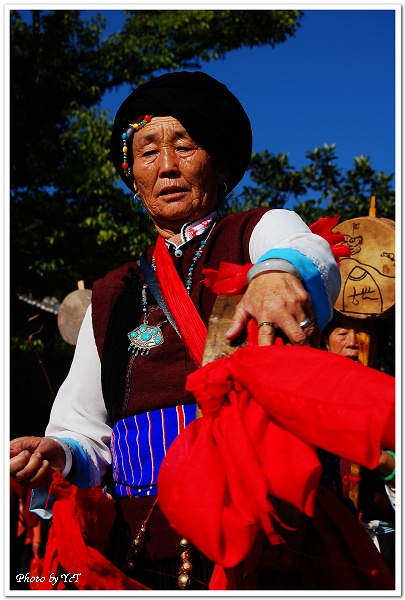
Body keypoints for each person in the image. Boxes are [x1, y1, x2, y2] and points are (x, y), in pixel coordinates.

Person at [9, 71, 391, 591]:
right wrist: (61, 453)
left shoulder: (258, 231)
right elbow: (83, 426)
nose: (167, 166)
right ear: (133, 174)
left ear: (221, 164)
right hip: (142, 535)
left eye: (185, 146)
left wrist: (277, 272)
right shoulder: (111, 292)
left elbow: (307, 252)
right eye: (148, 152)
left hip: (259, 522)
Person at [322, 310, 396, 578]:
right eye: (342, 333)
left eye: (363, 333)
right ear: (324, 343)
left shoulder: (393, 400)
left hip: (384, 546)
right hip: (322, 544)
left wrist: (387, 464)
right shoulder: (303, 400)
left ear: (376, 344)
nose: (353, 342)